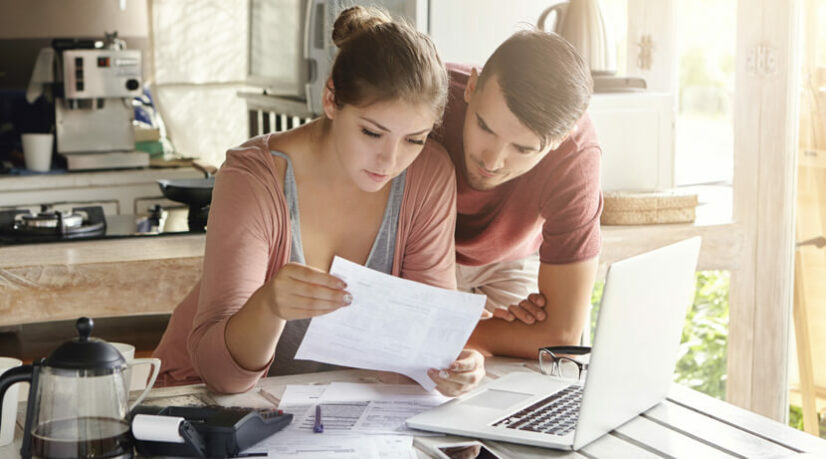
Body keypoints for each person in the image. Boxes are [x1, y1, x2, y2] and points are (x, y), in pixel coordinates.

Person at [153, 6, 484, 397]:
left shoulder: (429, 175)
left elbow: (421, 345)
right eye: (372, 133)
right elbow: (222, 378)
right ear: (330, 99)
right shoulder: (253, 178)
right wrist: (269, 306)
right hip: (200, 400)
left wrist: (452, 366)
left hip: (329, 408)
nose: (390, 160)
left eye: (414, 139)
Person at [432, 31, 602, 359]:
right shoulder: (428, 95)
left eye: (522, 149)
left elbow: (561, 337)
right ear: (471, 87)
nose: (492, 161)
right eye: (485, 127)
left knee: (528, 374)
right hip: (419, 252)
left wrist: (442, 329)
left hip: (509, 260)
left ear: (559, 140)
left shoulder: (576, 156)